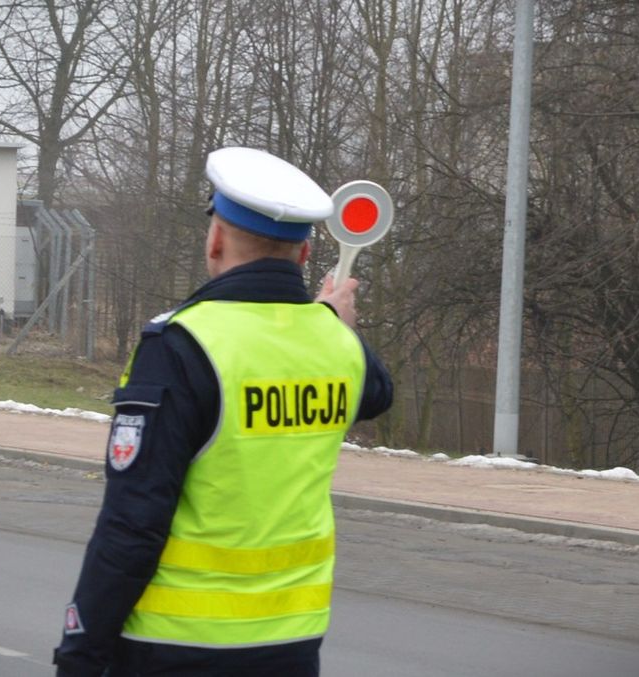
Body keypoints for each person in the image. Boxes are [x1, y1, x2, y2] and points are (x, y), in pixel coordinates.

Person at [53, 146, 394, 677]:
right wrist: (331, 322)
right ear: (305, 256)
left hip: (174, 646)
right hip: (292, 643)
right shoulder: (340, 345)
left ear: (215, 240)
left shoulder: (181, 344)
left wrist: (81, 650)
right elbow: (376, 393)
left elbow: (133, 523)